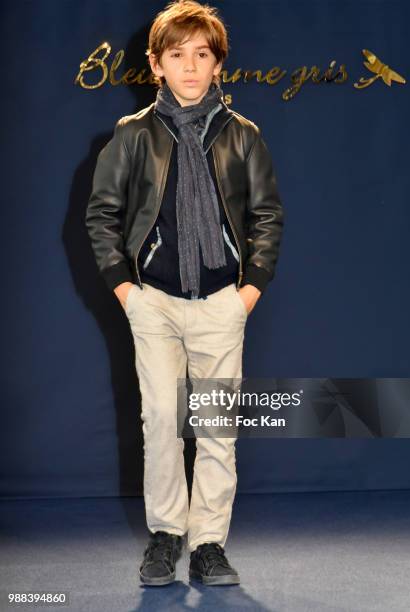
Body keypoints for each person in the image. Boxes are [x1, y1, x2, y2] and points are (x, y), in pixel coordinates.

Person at [86, 0, 284, 587]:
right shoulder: (132, 135)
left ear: (219, 64)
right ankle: (166, 534)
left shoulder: (243, 135)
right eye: (177, 56)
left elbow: (267, 217)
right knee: (161, 420)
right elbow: (102, 216)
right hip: (154, 302)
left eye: (202, 55)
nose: (191, 67)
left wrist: (249, 291)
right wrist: (125, 289)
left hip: (222, 301)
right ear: (156, 64)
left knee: (217, 428)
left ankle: (208, 545)